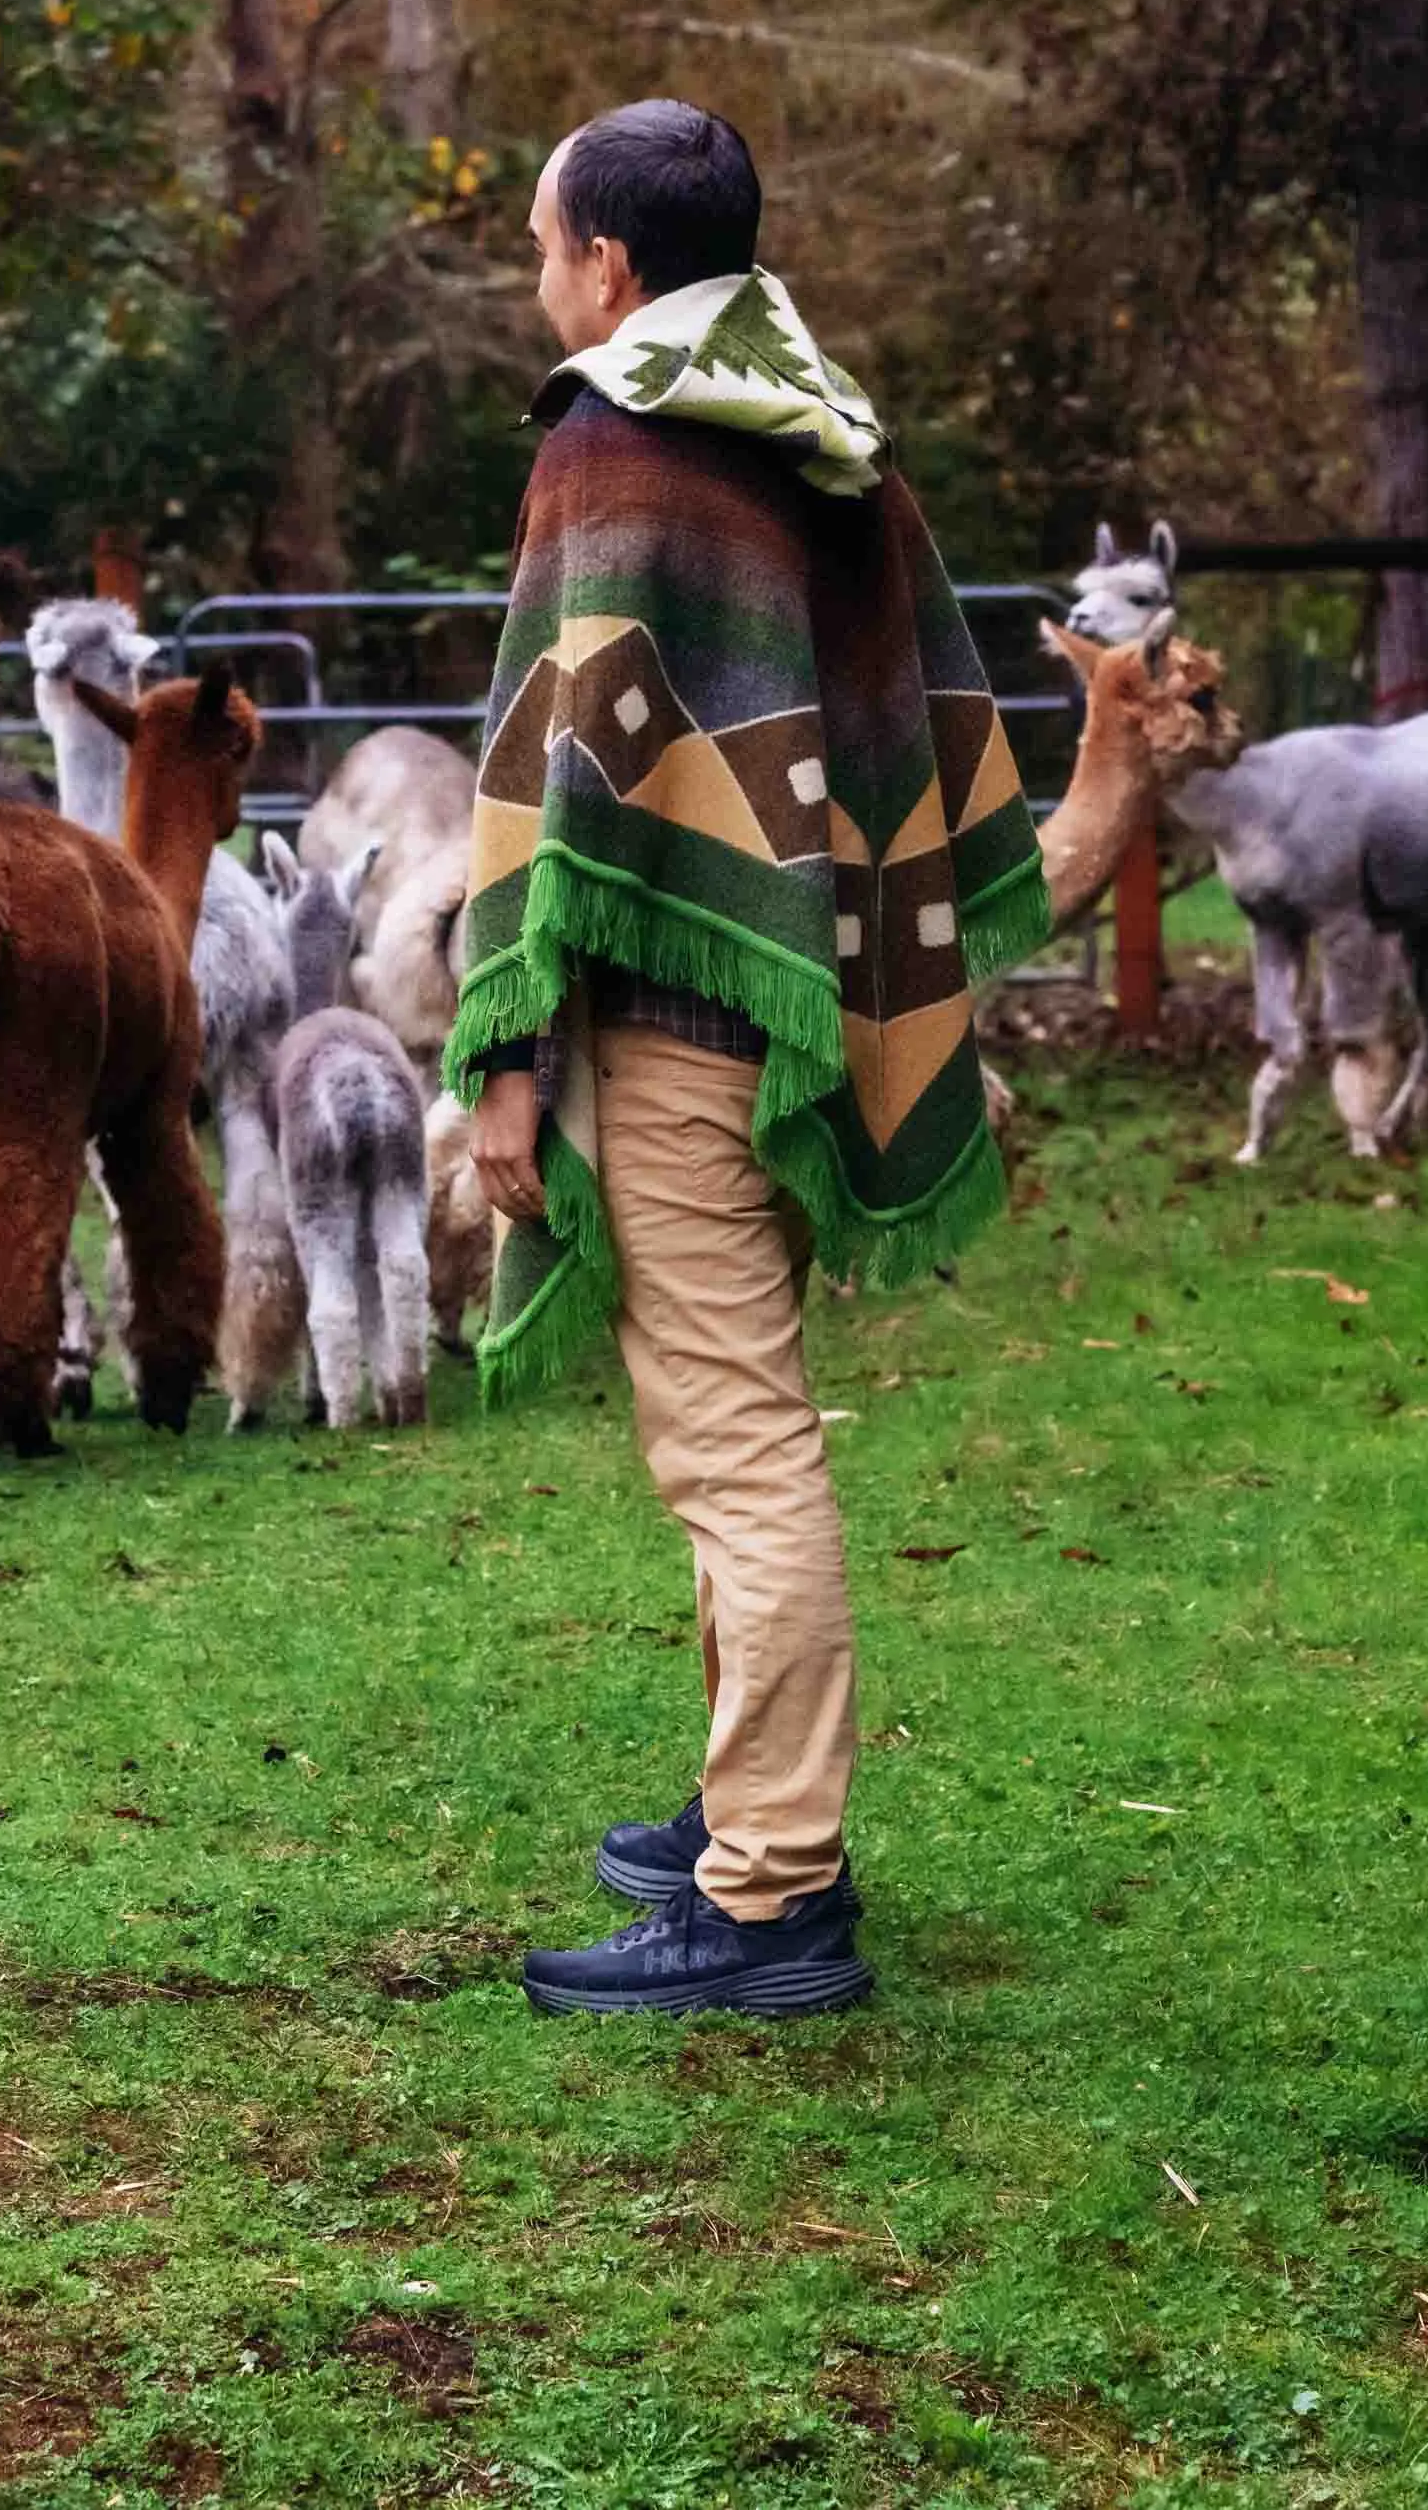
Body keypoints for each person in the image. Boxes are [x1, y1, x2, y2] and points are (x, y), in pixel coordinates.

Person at [450, 99, 1051, 2017]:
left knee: (739, 1446)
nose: (539, 278)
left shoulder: (614, 442)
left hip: (679, 1023)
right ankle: (748, 1812)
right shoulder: (826, 434)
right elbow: (901, 739)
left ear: (608, 268)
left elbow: (563, 782)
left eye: (545, 245)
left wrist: (512, 1051)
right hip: (798, 1001)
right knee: (746, 1424)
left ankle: (774, 1895)